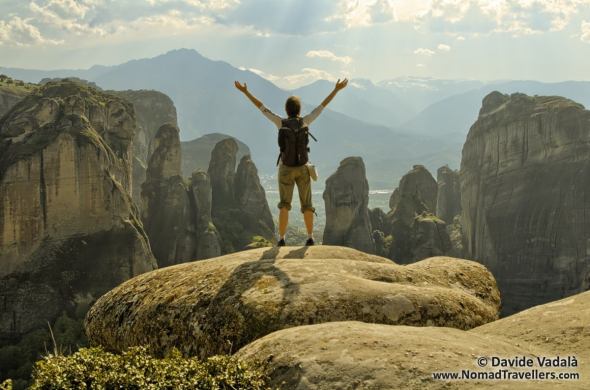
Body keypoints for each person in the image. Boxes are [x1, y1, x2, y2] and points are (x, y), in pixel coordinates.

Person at [234, 78, 348, 246]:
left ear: (286, 110)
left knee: (284, 205)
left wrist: (245, 92)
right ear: (299, 109)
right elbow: (322, 107)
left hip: (286, 168)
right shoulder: (306, 121)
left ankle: (281, 239)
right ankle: (310, 237)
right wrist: (336, 89)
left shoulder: (280, 122)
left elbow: (262, 108)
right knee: (307, 204)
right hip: (303, 168)